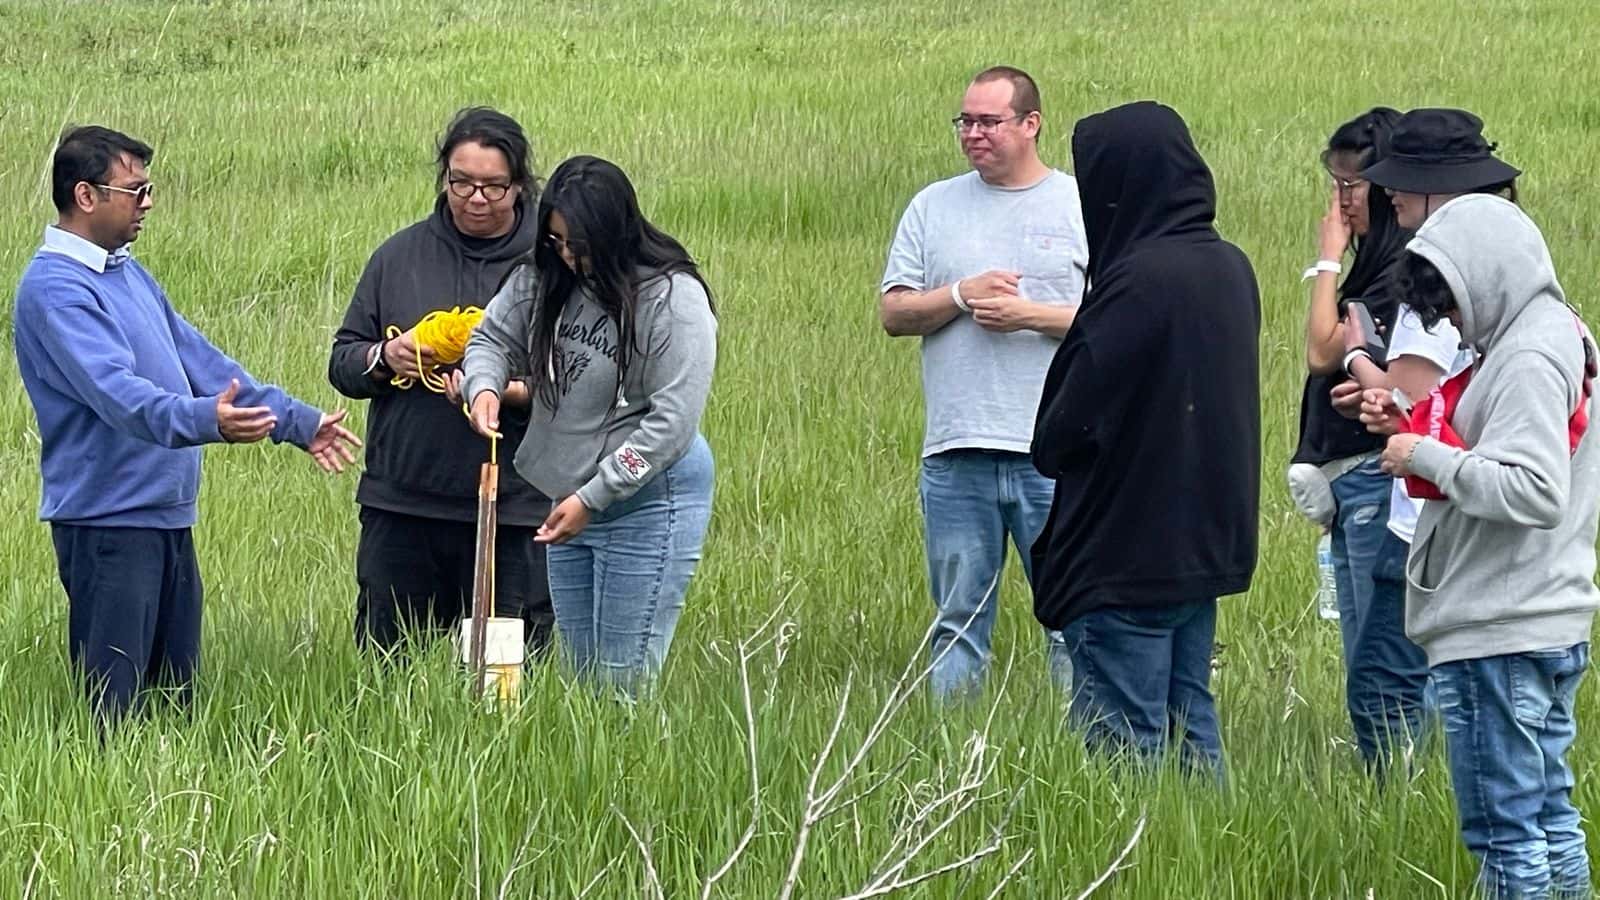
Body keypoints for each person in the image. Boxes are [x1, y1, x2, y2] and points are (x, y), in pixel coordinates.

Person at [12, 126, 361, 726]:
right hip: (108, 523)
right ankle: (108, 815)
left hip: (165, 514)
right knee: (113, 714)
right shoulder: (54, 289)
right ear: (86, 195)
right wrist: (209, 421)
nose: (147, 203)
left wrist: (297, 423)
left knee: (175, 705)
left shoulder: (127, 273)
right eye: (135, 190)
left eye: (149, 189)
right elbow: (119, 396)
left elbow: (202, 363)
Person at [1365, 194, 1597, 900]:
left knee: (1505, 834)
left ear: (1489, 278)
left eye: (1455, 306)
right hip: (1541, 613)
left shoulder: (1527, 355)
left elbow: (1531, 488)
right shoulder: (1556, 336)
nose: (1456, 326)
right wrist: (1418, 422)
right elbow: (1508, 448)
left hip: (1500, 626)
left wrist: (1422, 456)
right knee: (1549, 817)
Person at [1030, 101, 1259, 776]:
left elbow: (1061, 432)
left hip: (1124, 552)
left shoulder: (1134, 282)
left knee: (1124, 749)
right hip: (1204, 544)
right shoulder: (1230, 268)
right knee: (1192, 722)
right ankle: (1209, 865)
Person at [461, 155, 717, 697]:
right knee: (580, 684)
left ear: (615, 230)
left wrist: (595, 496)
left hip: (647, 501)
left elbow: (671, 424)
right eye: (556, 242)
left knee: (621, 684)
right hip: (569, 499)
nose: (569, 258)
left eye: (579, 245)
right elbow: (490, 340)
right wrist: (482, 387)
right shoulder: (544, 275)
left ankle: (640, 780)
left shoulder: (674, 300)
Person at [878, 65, 1085, 700]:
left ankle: (1082, 747)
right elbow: (894, 313)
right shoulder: (932, 205)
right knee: (957, 621)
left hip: (1053, 451)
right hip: (956, 449)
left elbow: (1115, 322)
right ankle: (951, 753)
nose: (973, 134)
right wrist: (961, 295)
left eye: (988, 122)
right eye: (964, 122)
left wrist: (1030, 316)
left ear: (1031, 124)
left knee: (1070, 617)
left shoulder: (1079, 205)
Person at [328, 107, 555, 656]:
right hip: (404, 505)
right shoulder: (398, 256)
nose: (476, 198)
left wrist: (505, 390)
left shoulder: (553, 264)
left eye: (493, 186)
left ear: (520, 184)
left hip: (516, 511)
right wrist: (386, 357)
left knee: (504, 680)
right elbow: (343, 362)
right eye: (462, 182)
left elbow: (584, 386)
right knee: (390, 672)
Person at [1289, 107, 1430, 772]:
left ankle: (1402, 783)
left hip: (1379, 478)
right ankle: (1389, 785)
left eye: (1351, 185)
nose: (1339, 201)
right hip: (1353, 482)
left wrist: (1325, 254)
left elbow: (1323, 349)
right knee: (1363, 655)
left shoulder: (1400, 270)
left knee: (1380, 664)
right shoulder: (1378, 268)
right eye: (1336, 183)